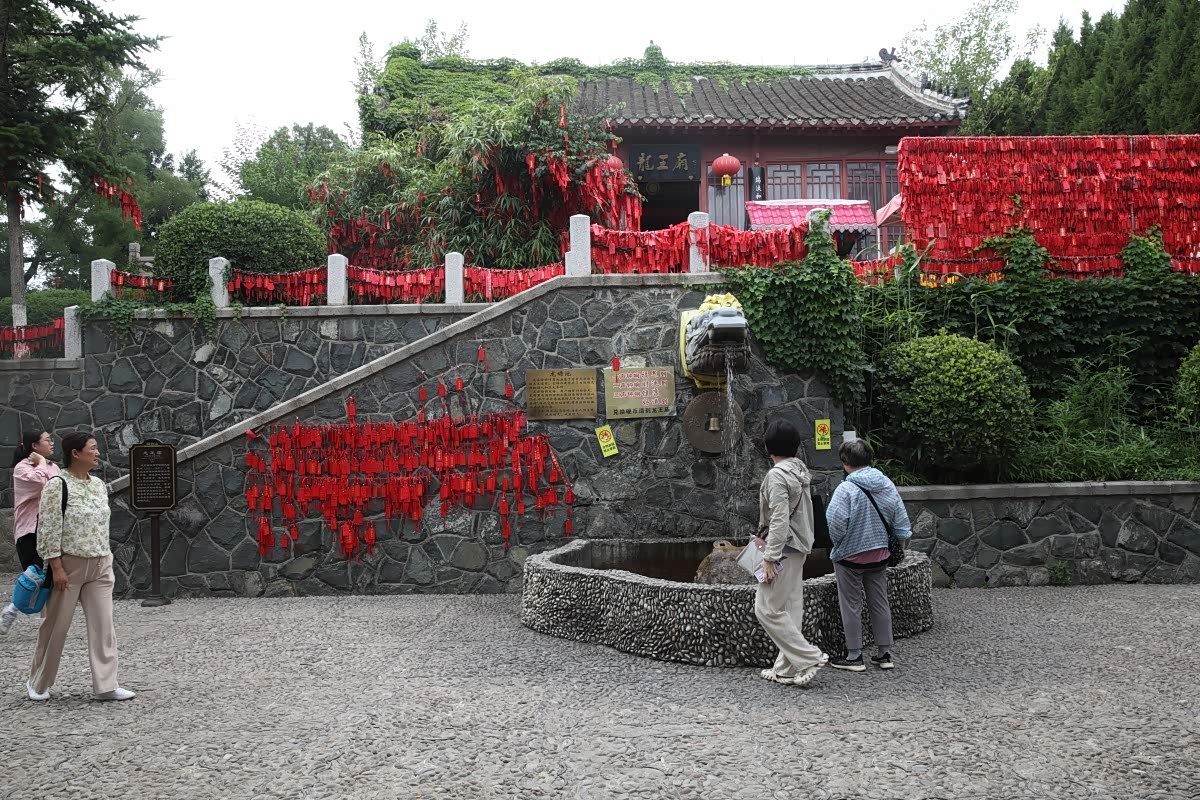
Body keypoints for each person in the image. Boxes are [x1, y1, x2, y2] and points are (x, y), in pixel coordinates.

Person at [27, 431, 135, 702]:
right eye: (92, 448)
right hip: (68, 565)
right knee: (56, 626)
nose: (97, 453)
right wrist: (56, 566)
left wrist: (106, 557)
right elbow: (48, 528)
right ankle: (38, 682)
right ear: (76, 453)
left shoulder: (98, 485)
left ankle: (106, 685)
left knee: (103, 626)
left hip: (100, 564)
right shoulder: (57, 485)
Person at [825, 439, 912, 672]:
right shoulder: (886, 483)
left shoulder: (845, 489)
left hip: (850, 557)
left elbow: (835, 524)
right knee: (880, 601)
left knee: (851, 604)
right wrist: (901, 543)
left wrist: (838, 544)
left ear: (845, 462)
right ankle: (884, 653)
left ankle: (854, 656)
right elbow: (901, 518)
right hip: (880, 554)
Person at [753, 418, 828, 686]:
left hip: (783, 549)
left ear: (768, 447)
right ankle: (785, 669)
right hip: (799, 546)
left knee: (765, 609)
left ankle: (809, 657)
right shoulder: (799, 470)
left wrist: (769, 557)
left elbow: (779, 519)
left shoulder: (776, 475)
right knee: (790, 607)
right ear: (795, 446)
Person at [1, 431, 60, 635]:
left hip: (51, 528)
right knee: (35, 575)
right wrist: (42, 462)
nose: (52, 443)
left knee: (50, 578)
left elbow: (59, 491)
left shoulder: (53, 467)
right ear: (34, 446)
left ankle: (46, 623)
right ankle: (12, 609)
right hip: (30, 530)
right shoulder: (22, 468)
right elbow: (43, 484)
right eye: (47, 440)